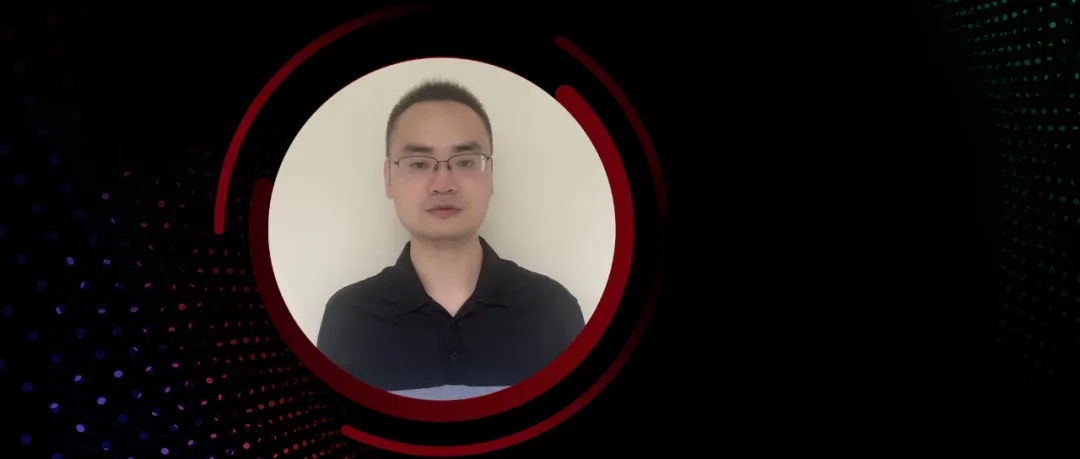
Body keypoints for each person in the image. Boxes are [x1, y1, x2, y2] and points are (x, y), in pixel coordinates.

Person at [316, 80, 586, 394]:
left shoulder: (553, 311)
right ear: (389, 178)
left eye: (465, 162)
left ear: (490, 175)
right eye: (419, 164)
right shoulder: (349, 318)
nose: (443, 184)